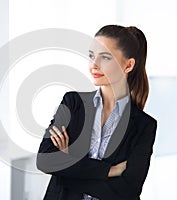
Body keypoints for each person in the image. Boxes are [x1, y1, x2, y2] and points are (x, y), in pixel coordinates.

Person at [36, 25, 157, 200]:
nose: (94, 65)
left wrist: (70, 163)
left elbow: (128, 191)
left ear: (128, 65)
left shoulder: (144, 125)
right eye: (91, 56)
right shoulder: (73, 103)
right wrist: (109, 171)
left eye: (105, 57)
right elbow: (45, 160)